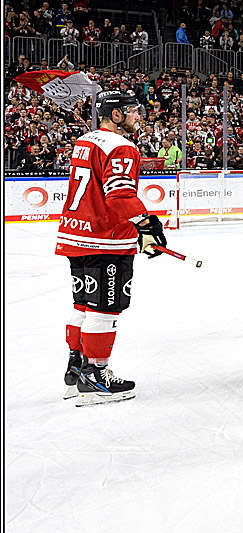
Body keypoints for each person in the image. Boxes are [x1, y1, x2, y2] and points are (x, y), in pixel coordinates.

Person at [55, 90, 167, 406]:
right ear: (116, 115)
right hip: (105, 239)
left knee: (82, 305)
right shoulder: (122, 146)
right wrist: (147, 225)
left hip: (75, 235)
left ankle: (76, 370)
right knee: (104, 309)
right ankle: (95, 376)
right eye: (132, 110)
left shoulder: (84, 140)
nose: (139, 116)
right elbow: (119, 196)